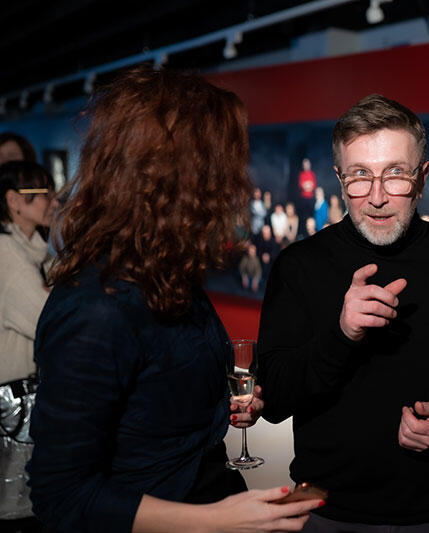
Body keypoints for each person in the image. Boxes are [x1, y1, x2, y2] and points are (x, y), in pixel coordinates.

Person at [26, 66, 321, 533]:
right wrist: (214, 520)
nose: (235, 182)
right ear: (179, 177)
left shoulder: (166, 274)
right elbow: (62, 495)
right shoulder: (96, 308)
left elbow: (157, 396)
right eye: (224, 165)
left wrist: (223, 404)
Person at [257, 93, 429, 531]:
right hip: (323, 509)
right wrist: (342, 335)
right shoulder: (299, 266)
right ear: (339, 178)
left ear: (422, 177)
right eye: (360, 175)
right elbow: (274, 401)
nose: (377, 197)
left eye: (395, 173)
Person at [0, 161, 57, 531]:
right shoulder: (7, 255)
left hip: (24, 400)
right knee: (19, 510)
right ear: (13, 202)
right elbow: (50, 320)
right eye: (39, 194)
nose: (52, 201)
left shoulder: (32, 252)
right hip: (15, 404)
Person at [298, 158, 317, 222]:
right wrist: (308, 185)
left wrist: (306, 185)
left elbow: (313, 186)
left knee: (312, 215)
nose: (306, 166)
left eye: (307, 164)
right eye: (305, 164)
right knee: (304, 216)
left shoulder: (312, 174)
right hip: (304, 198)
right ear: (303, 166)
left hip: (311, 198)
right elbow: (301, 185)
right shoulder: (301, 175)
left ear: (309, 165)